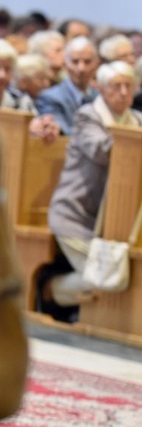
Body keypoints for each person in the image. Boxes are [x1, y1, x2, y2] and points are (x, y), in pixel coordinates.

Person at [41, 61, 142, 320]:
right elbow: (102, 150)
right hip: (74, 216)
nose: (122, 92)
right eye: (115, 86)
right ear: (101, 90)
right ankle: (50, 289)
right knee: (104, 276)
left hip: (114, 223)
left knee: (120, 274)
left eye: (128, 86)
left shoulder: (137, 120)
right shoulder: (88, 116)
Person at [36, 36, 99, 135]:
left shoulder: (100, 97)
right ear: (65, 64)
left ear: (96, 64)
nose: (81, 68)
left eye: (87, 62)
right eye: (75, 62)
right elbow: (63, 133)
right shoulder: (50, 97)